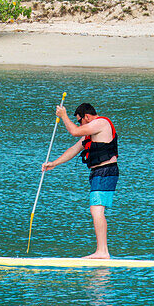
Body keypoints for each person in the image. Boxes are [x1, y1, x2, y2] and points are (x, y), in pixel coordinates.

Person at [42, 102, 119, 259]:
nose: (79, 124)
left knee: (96, 210)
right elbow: (73, 150)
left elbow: (74, 131)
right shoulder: (90, 133)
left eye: (80, 120)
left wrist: (63, 115)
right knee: (96, 210)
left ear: (87, 117)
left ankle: (102, 252)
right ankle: (102, 251)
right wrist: (54, 163)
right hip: (99, 173)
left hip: (105, 172)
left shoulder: (101, 123)